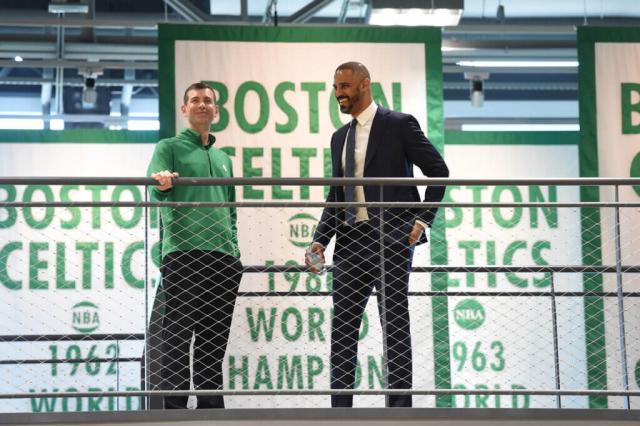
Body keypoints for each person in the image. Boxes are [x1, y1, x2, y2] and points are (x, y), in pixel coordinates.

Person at [306, 62, 449, 408]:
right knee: (342, 328)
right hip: (349, 243)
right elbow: (336, 195)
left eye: (344, 86)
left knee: (394, 325)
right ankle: (340, 412)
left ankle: (399, 411)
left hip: (393, 239)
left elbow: (438, 171)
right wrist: (320, 240)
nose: (338, 93)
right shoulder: (339, 137)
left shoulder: (398, 124)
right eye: (335, 87)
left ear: (365, 84)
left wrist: (423, 220)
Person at [147, 82, 242, 409]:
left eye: (207, 101)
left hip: (224, 260)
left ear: (216, 110)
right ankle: (175, 413)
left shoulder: (223, 158)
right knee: (176, 338)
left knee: (213, 343)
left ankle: (211, 411)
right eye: (195, 100)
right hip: (183, 254)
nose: (202, 105)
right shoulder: (168, 147)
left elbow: (231, 210)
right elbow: (154, 189)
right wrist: (162, 183)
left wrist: (235, 253)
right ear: (184, 109)